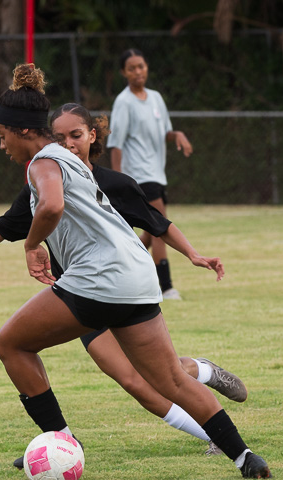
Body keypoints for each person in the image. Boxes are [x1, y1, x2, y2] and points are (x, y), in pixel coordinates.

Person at [0, 63, 271, 479]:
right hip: (137, 276)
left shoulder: (42, 163)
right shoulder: (74, 162)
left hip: (98, 279)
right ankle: (246, 458)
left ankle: (62, 440)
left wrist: (32, 246)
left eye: (1, 136)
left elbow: (51, 206)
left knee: (10, 344)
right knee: (171, 379)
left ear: (23, 131)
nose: (1, 145)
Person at [107, 48, 192, 300]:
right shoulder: (123, 102)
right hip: (139, 176)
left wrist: (177, 134)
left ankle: (119, 269)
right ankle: (165, 286)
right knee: (160, 226)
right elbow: (116, 144)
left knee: (148, 230)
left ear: (147, 68)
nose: (137, 72)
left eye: (141, 66)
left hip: (157, 173)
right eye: (131, 68)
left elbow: (166, 131)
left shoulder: (155, 98)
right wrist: (117, 182)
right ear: (124, 73)